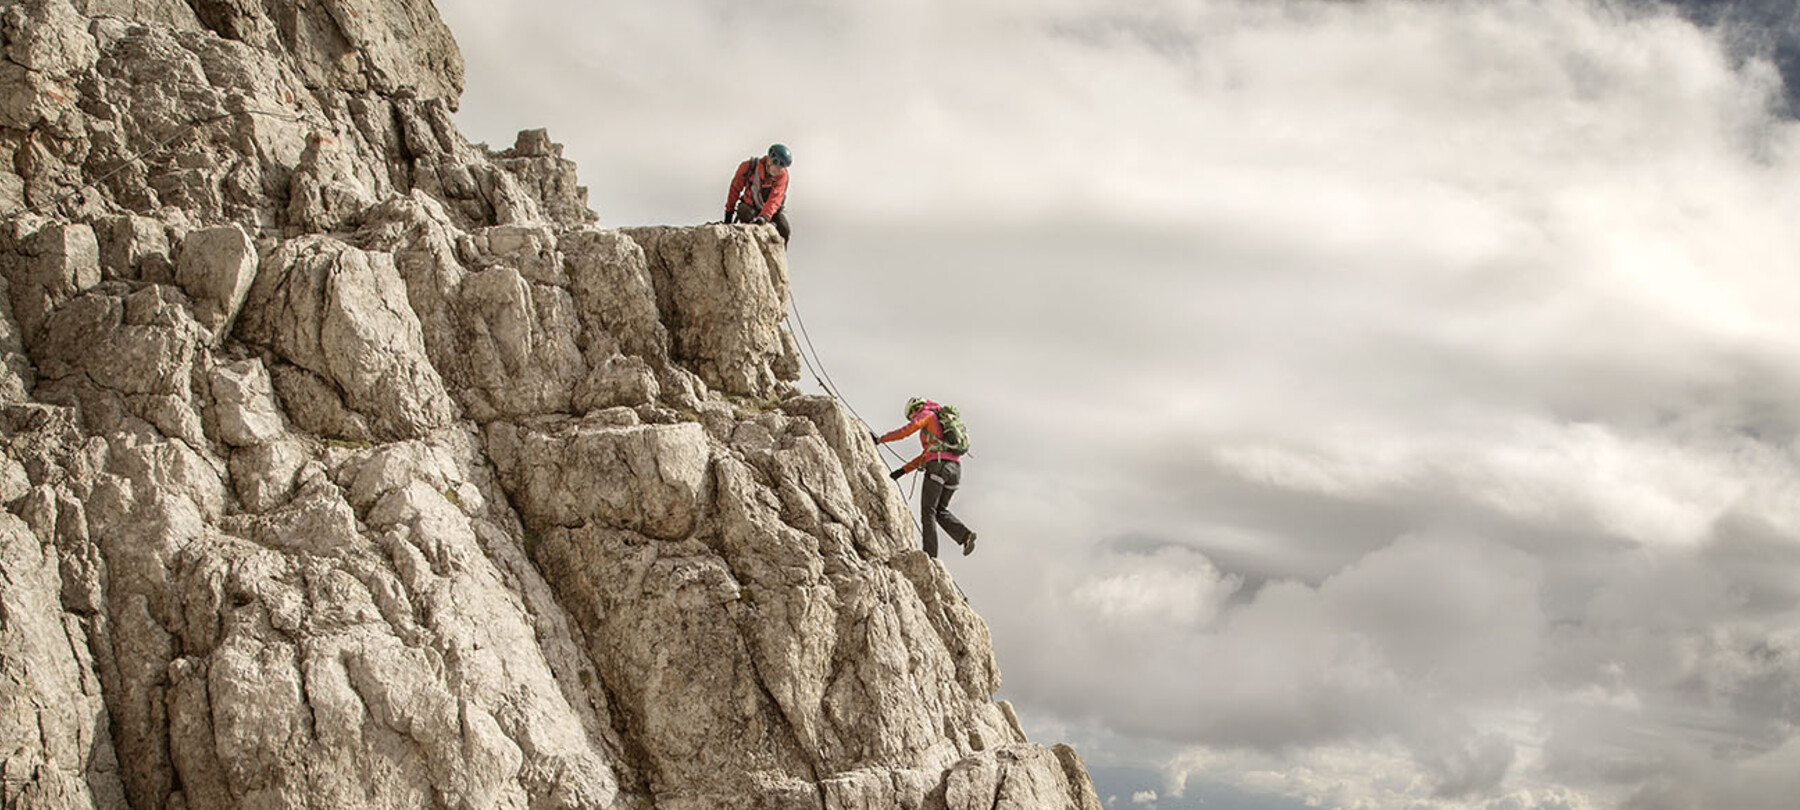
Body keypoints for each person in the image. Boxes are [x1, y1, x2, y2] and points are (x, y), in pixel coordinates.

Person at [872, 397, 977, 558]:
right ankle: (965, 536)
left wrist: (881, 439)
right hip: (955, 470)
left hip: (939, 467)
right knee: (940, 511)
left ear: (915, 409)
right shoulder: (941, 427)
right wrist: (901, 471)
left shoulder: (927, 414)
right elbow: (927, 455)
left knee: (928, 512)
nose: (913, 418)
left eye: (911, 415)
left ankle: (930, 556)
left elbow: (906, 431)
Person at [725, 143, 793, 243]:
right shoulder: (748, 167)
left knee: (784, 229)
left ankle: (779, 256)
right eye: (777, 167)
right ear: (769, 161)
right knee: (745, 213)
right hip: (750, 207)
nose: (779, 171)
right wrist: (729, 214)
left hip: (771, 211)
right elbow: (735, 189)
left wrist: (764, 217)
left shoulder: (782, 176)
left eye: (782, 168)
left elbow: (775, 199)